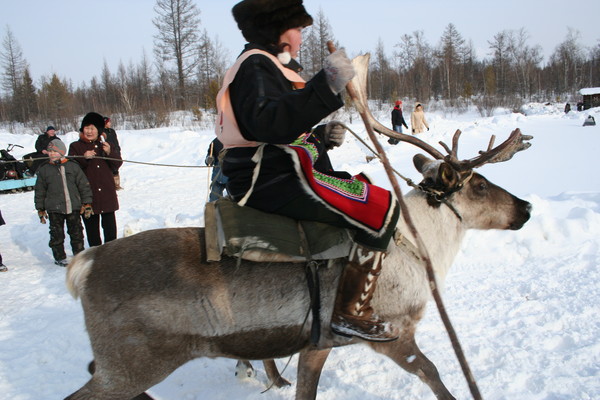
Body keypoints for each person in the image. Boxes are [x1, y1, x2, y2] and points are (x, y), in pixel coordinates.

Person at [217, 0, 400, 342]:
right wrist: (328, 83)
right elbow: (268, 124)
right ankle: (351, 312)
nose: (301, 38)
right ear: (278, 31)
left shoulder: (265, 65)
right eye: (298, 30)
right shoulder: (256, 66)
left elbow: (277, 125)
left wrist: (319, 135)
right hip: (267, 177)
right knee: (381, 207)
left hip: (273, 170)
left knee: (359, 185)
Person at [34, 140, 93, 266]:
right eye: (50, 151)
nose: (52, 154)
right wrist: (40, 208)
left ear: (62, 152)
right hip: (54, 208)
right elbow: (40, 190)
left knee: (76, 232)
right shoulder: (44, 169)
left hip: (73, 206)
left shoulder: (73, 166)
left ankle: (79, 255)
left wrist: (87, 203)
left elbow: (83, 185)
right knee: (56, 234)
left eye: (55, 151)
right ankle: (59, 257)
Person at [69, 112, 123, 247]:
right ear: (82, 130)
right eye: (86, 128)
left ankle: (111, 255)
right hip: (88, 195)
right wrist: (83, 158)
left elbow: (117, 164)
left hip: (106, 194)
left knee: (110, 229)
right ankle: (96, 256)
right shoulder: (76, 146)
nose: (89, 131)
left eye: (92, 128)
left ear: (98, 130)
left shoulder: (105, 145)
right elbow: (71, 167)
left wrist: (110, 152)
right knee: (92, 231)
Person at [103, 117, 123, 190]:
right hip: (108, 152)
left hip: (115, 151)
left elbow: (115, 141)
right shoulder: (102, 132)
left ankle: (117, 184)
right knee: (109, 168)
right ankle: (111, 185)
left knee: (116, 168)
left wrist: (118, 149)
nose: (110, 123)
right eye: (108, 122)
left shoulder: (112, 131)